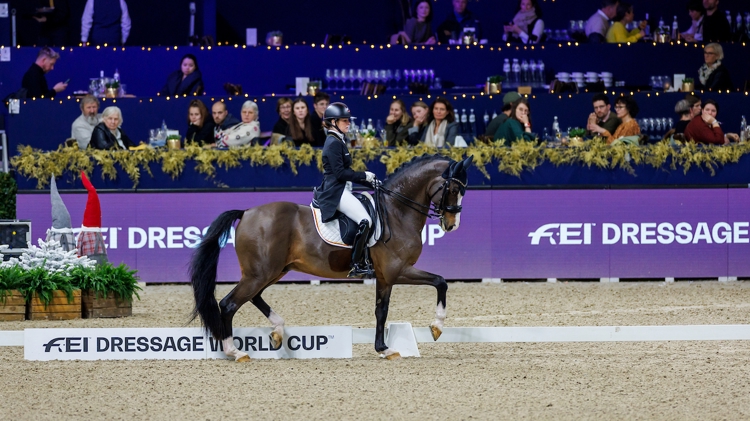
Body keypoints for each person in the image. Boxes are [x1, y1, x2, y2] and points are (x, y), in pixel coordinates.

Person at [313, 102, 378, 278]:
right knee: (365, 220)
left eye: (348, 120)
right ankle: (356, 263)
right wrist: (364, 176)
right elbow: (341, 173)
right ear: (333, 122)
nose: (348, 123)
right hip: (335, 190)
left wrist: (369, 182)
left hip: (341, 188)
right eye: (344, 120)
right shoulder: (333, 142)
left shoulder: (338, 139)